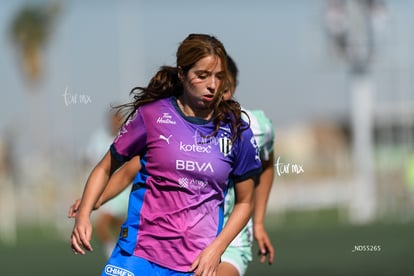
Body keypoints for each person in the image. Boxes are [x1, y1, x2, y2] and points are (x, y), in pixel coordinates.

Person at [70, 33, 262, 276]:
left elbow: (245, 202)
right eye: (202, 76)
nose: (212, 85)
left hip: (194, 265)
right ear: (182, 75)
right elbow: (106, 167)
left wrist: (216, 249)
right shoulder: (151, 117)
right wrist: (85, 213)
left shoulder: (237, 130)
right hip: (137, 255)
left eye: (219, 76)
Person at [84, 109, 130, 258]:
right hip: (106, 190)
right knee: (102, 226)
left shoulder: (129, 137)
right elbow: (93, 162)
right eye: (112, 120)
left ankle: (122, 255)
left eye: (117, 120)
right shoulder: (99, 138)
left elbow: (130, 169)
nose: (114, 123)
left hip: (124, 191)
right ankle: (113, 254)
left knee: (122, 227)